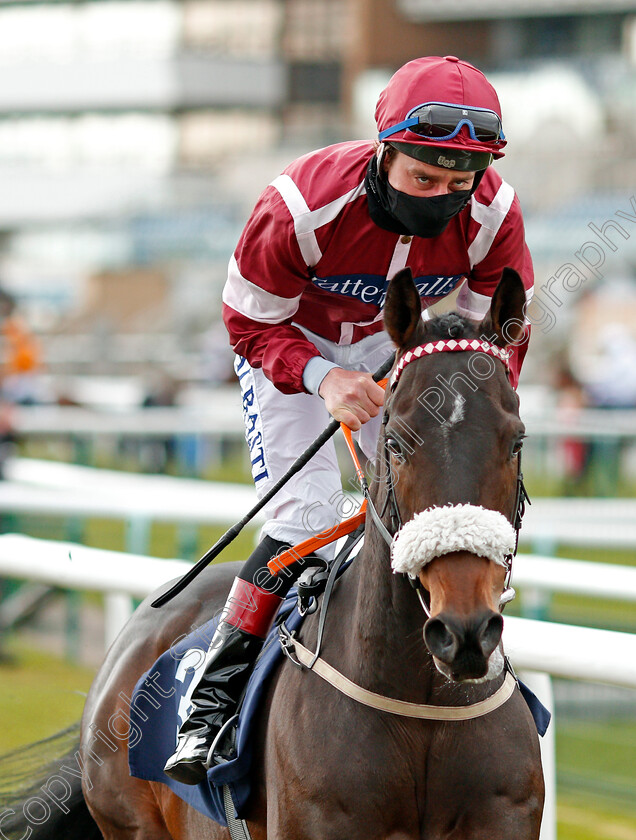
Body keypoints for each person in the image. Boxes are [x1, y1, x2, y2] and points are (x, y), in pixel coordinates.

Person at [164, 54, 534, 784]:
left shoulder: (495, 213)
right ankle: (212, 700)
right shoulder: (297, 206)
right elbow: (247, 322)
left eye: (458, 185)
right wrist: (323, 378)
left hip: (396, 349)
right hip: (290, 346)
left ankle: (460, 653)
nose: (441, 198)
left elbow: (494, 341)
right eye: (424, 179)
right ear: (384, 150)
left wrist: (469, 416)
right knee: (306, 517)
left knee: (439, 499)